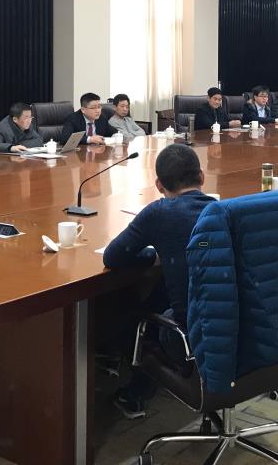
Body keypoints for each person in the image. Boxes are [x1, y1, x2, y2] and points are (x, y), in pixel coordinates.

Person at [103, 144, 216, 418]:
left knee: (132, 314)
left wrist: (150, 255)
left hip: (187, 333)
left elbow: (113, 257)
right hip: (229, 323)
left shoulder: (159, 212)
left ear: (158, 185)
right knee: (163, 289)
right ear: (202, 177)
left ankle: (135, 393)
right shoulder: (221, 209)